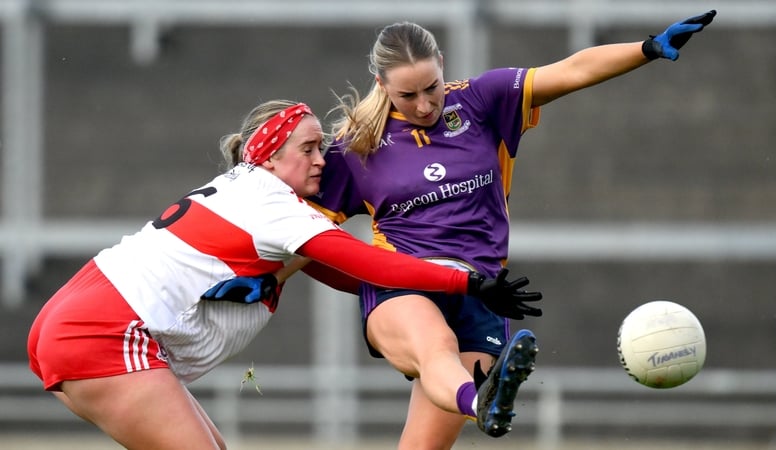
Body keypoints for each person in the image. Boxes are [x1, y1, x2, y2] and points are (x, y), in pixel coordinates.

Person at [303, 10, 716, 449]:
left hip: (482, 291)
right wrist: (261, 279)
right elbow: (299, 239)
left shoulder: (482, 100)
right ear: (381, 84)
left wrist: (647, 49)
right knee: (436, 345)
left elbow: (572, 70)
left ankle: (478, 398)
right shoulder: (356, 149)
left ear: (442, 63)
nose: (424, 105)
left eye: (432, 88)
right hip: (405, 285)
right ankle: (478, 397)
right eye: (408, 95)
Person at [26, 99, 542, 450]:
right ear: (271, 158)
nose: (324, 159)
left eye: (322, 146)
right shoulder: (274, 205)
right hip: (104, 333)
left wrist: (416, 299)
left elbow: (344, 272)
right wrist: (468, 282)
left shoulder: (249, 194)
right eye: (309, 149)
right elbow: (362, 259)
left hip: (81, 322)